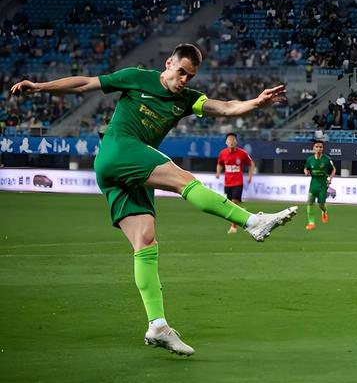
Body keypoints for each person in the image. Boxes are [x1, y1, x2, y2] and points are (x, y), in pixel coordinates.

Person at [10, 43, 298, 356]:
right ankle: (252, 222)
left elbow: (226, 107)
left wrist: (256, 102)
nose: (184, 80)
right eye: (181, 72)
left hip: (127, 173)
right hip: (119, 148)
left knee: (145, 242)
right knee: (182, 179)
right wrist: (39, 86)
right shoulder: (137, 77)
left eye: (190, 76)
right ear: (169, 63)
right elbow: (85, 84)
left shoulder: (187, 99)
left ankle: (157, 325)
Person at [215, 132, 255, 234]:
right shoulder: (223, 153)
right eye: (229, 140)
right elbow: (219, 164)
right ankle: (242, 212)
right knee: (230, 205)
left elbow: (251, 163)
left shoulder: (242, 153)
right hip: (227, 183)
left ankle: (233, 227)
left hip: (238, 182)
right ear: (226, 142)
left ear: (236, 142)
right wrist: (218, 172)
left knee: (234, 203)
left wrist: (250, 176)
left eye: (233, 140)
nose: (231, 142)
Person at [303, 140, 336, 230]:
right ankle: (311, 223)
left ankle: (324, 211)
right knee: (310, 202)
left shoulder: (327, 159)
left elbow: (333, 169)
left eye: (320, 147)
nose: (318, 148)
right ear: (313, 148)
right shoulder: (310, 159)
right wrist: (306, 172)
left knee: (321, 204)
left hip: (323, 184)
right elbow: (306, 168)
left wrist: (330, 179)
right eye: (316, 147)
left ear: (323, 149)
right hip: (313, 184)